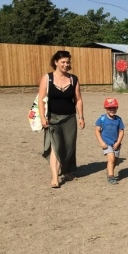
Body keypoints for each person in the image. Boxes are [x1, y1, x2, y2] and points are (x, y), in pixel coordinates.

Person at [38, 50, 85, 188]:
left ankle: (67, 170)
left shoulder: (73, 79)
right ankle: (55, 177)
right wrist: (42, 117)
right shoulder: (47, 78)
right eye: (63, 62)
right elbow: (40, 99)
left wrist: (81, 116)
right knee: (56, 147)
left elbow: (78, 99)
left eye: (67, 62)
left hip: (70, 118)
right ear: (55, 62)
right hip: (52, 118)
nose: (66, 64)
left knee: (69, 147)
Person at [94, 98, 125, 185]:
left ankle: (109, 171)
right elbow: (97, 131)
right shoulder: (102, 119)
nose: (112, 110)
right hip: (107, 143)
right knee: (111, 158)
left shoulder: (118, 119)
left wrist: (118, 142)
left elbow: (121, 131)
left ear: (117, 108)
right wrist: (101, 142)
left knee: (115, 160)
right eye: (109, 108)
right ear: (105, 108)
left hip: (116, 143)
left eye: (114, 108)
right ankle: (111, 176)